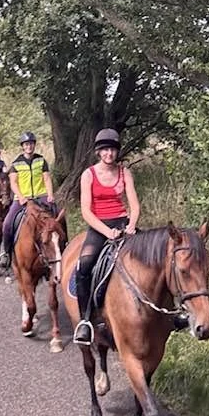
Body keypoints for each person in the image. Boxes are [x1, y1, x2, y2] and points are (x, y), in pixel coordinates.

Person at [73, 128, 140, 345]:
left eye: (112, 150)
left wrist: (132, 225)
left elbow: (135, 205)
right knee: (84, 265)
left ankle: (169, 314)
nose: (109, 154)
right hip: (99, 225)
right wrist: (106, 231)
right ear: (98, 152)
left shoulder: (124, 173)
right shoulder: (88, 175)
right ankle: (85, 320)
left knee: (154, 257)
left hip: (123, 222)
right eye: (105, 150)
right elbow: (86, 211)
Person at [0, 131, 55, 270]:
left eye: (31, 144)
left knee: (57, 217)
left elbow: (46, 178)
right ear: (23, 146)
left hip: (41, 196)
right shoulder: (16, 164)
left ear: (34, 145)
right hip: (22, 199)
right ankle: (6, 254)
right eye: (26, 144)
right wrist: (21, 197)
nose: (29, 146)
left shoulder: (41, 160)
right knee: (7, 224)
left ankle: (63, 245)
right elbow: (14, 183)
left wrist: (50, 194)